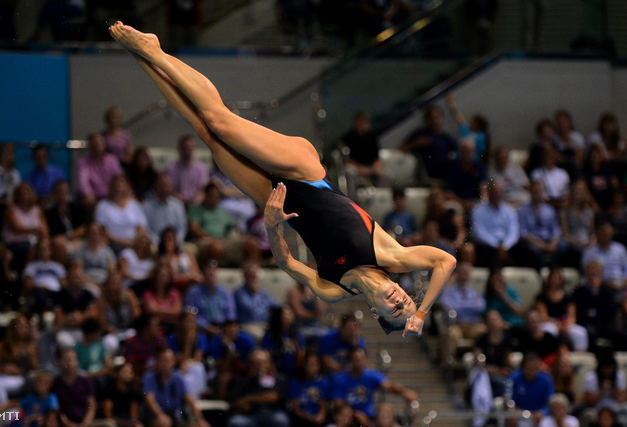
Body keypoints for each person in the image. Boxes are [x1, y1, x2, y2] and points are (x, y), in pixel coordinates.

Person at [109, 22, 457, 337]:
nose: (398, 300)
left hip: (277, 197)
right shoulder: (392, 256)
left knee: (206, 134)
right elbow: (446, 260)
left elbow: (286, 262)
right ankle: (154, 49)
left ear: (374, 311)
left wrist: (273, 225)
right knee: (220, 121)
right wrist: (423, 312)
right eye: (406, 301)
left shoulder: (334, 290)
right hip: (303, 171)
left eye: (395, 310)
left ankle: (142, 57)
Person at [332, 347, 418, 426]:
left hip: (369, 416)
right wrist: (355, 413)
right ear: (351, 361)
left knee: (385, 411)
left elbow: (389, 386)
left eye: (362, 359)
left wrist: (405, 392)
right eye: (356, 359)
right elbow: (338, 403)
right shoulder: (341, 379)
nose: (359, 362)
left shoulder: (371, 375)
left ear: (366, 360)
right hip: (349, 417)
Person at [187, 182, 259, 265]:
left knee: (252, 243)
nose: (215, 198)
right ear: (206, 195)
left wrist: (238, 236)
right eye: (213, 195)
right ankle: (214, 275)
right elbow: (193, 228)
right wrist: (208, 237)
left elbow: (234, 227)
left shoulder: (222, 211)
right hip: (204, 240)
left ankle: (253, 273)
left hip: (224, 240)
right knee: (216, 247)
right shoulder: (196, 210)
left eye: (217, 196)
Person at [141, 348, 211, 427]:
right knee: (163, 423)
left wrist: (200, 420)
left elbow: (190, 400)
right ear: (157, 362)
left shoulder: (178, 377)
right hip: (154, 418)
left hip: (176, 418)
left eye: (168, 361)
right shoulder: (149, 377)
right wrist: (160, 415)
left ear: (173, 362)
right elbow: (149, 399)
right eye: (162, 361)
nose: (165, 364)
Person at [438, 261, 487, 367]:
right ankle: (449, 366)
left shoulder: (474, 291)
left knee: (484, 331)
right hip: (456, 325)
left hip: (473, 325)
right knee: (449, 334)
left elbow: (481, 307)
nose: (465, 275)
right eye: (462, 272)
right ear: (457, 274)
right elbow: (448, 307)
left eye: (467, 273)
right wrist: (470, 306)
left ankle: (481, 364)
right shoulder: (449, 291)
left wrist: (460, 305)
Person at [227, 349, 290, 427]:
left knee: (280, 420)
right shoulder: (243, 381)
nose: (258, 366)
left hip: (273, 413)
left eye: (261, 363)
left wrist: (248, 399)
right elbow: (233, 402)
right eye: (254, 364)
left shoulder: (279, 378)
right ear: (249, 365)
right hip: (251, 416)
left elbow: (272, 397)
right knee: (236, 422)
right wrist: (241, 405)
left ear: (269, 363)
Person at [514, 181, 565, 270]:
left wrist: (553, 244)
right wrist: (542, 245)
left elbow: (555, 231)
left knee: (563, 245)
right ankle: (540, 272)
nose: (537, 194)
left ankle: (556, 272)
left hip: (548, 240)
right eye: (535, 191)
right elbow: (523, 233)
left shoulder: (549, 210)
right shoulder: (522, 211)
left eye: (539, 191)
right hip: (533, 241)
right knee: (533, 249)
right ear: (530, 192)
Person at [535, 269, 589, 351]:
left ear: (561, 280)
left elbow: (572, 316)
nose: (555, 281)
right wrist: (556, 325)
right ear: (548, 279)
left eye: (557, 278)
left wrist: (566, 326)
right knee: (549, 331)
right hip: (549, 322)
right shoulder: (542, 297)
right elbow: (543, 316)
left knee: (581, 332)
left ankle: (579, 354)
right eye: (553, 278)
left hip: (565, 323)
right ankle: (551, 353)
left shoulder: (568, 298)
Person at [400, 105, 458, 180]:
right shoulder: (422, 134)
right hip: (433, 170)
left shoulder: (445, 137)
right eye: (432, 118)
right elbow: (402, 147)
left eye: (437, 117)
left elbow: (458, 148)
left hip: (447, 167)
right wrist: (416, 143)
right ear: (427, 120)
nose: (435, 121)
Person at [0, 315, 37, 404]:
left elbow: (34, 370)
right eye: (20, 326)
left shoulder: (30, 346)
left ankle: (6, 414)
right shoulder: (2, 344)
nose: (23, 329)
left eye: (25, 326)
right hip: (1, 376)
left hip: (20, 379)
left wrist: (18, 371)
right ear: (13, 328)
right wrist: (5, 370)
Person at [94, 174, 148, 253]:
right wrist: (121, 242)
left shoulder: (135, 205)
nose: (119, 189)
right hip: (111, 245)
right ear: (111, 188)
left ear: (128, 188)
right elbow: (101, 230)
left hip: (134, 244)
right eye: (116, 186)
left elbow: (141, 227)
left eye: (122, 186)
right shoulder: (103, 206)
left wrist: (135, 241)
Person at [472, 181, 519, 268]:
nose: (496, 194)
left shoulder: (510, 210)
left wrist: (505, 246)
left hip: (507, 245)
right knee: (486, 251)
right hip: (488, 246)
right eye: (493, 191)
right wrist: (497, 246)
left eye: (498, 191)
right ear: (488, 193)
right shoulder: (478, 210)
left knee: (523, 250)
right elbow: (480, 233)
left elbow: (513, 232)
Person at [53, 259, 98, 350]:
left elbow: (93, 313)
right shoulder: (60, 295)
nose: (76, 279)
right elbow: (58, 317)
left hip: (82, 329)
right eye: (74, 277)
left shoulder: (88, 294)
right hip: (66, 329)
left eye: (79, 277)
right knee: (63, 340)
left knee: (88, 339)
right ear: (68, 278)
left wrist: (80, 317)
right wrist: (70, 317)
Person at [4, 182, 48, 276]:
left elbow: (44, 228)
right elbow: (16, 228)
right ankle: (26, 275)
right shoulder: (11, 210)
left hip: (35, 242)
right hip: (16, 244)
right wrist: (35, 229)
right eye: (22, 193)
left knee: (48, 247)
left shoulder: (37, 209)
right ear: (17, 196)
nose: (25, 196)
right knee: (32, 249)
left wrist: (44, 240)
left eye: (27, 193)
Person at [184, 260, 237, 335]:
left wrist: (228, 326)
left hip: (224, 327)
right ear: (203, 274)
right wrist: (206, 327)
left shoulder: (225, 292)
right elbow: (191, 315)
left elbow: (231, 312)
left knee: (247, 340)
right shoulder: (193, 292)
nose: (211, 274)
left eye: (213, 272)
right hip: (203, 329)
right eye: (208, 272)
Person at [573, 261, 617, 349]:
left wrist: (596, 292)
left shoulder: (606, 292)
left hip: (604, 324)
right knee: (590, 331)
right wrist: (593, 291)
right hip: (586, 324)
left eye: (597, 273)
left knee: (619, 334)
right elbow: (581, 312)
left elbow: (611, 312)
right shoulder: (579, 291)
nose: (594, 276)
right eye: (592, 273)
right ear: (586, 274)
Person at [208, 319, 256, 400]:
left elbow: (251, 361)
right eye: (229, 330)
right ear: (223, 331)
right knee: (224, 379)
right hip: (224, 371)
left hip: (244, 369)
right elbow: (222, 368)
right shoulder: (216, 342)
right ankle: (222, 407)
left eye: (235, 329)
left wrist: (242, 368)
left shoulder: (247, 340)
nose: (232, 332)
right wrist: (229, 350)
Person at [340, 111, 386, 195]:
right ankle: (352, 198)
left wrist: (376, 167)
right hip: (354, 166)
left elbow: (377, 157)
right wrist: (360, 168)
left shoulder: (372, 137)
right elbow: (346, 159)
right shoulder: (348, 138)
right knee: (349, 172)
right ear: (355, 123)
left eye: (364, 122)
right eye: (360, 122)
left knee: (387, 176)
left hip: (369, 167)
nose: (362, 124)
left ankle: (379, 200)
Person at [166, 310, 209, 399]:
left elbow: (198, 358)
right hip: (177, 368)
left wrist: (186, 363)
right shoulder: (172, 337)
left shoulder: (200, 336)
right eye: (187, 321)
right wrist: (188, 344)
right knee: (183, 374)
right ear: (181, 322)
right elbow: (180, 362)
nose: (189, 324)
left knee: (198, 368)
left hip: (192, 366)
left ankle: (197, 399)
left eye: (192, 321)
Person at [45, 180, 89, 264]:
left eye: (65, 192)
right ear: (54, 194)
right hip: (60, 243)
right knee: (59, 244)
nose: (62, 195)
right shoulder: (49, 213)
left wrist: (68, 236)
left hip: (77, 239)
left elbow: (84, 229)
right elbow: (52, 236)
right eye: (59, 192)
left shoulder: (77, 208)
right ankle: (63, 271)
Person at [99, 271, 142, 355]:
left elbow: (137, 314)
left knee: (132, 337)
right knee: (109, 343)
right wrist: (109, 329)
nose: (115, 286)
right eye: (112, 283)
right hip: (111, 332)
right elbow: (101, 320)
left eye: (117, 283)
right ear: (107, 284)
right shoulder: (101, 299)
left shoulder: (128, 294)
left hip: (128, 329)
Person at [76, 133, 123, 209]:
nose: (97, 147)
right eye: (94, 144)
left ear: (104, 145)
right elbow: (82, 182)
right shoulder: (83, 162)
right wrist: (88, 194)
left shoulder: (112, 160)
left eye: (99, 143)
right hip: (93, 196)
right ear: (90, 146)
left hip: (111, 195)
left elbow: (119, 178)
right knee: (88, 202)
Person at [52, 348, 97, 427]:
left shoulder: (86, 381)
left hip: (86, 423)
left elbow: (91, 405)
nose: (69, 363)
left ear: (76, 362)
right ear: (60, 362)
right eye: (66, 359)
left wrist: (86, 423)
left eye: (71, 359)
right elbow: (57, 409)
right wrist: (68, 424)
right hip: (64, 424)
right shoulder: (55, 384)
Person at [234, 261, 278, 341]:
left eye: (254, 276)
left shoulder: (263, 291)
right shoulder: (239, 293)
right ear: (245, 276)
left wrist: (286, 307)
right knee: (264, 337)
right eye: (250, 276)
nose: (253, 279)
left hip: (265, 323)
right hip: (249, 324)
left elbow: (273, 304)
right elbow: (251, 310)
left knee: (279, 333)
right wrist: (255, 294)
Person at [509, 352, 555, 426]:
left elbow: (550, 402)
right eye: (529, 367)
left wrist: (543, 412)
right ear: (523, 367)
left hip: (540, 415)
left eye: (535, 367)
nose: (532, 370)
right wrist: (513, 411)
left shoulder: (546, 379)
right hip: (520, 414)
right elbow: (509, 399)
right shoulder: (514, 378)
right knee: (511, 419)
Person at [582, 220, 627, 289]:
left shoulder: (620, 248)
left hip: (619, 284)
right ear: (598, 233)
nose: (606, 236)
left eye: (609, 234)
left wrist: (624, 282)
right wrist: (603, 283)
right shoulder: (589, 252)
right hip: (600, 285)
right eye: (604, 234)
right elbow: (586, 273)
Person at [166, 135, 210, 206]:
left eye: (189, 148)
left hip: (196, 204)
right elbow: (169, 189)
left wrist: (195, 202)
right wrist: (181, 200)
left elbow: (203, 190)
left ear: (193, 149)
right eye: (184, 148)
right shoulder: (171, 168)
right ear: (180, 149)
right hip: (176, 203)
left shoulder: (201, 168)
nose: (187, 151)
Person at [143, 173, 187, 245]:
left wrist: (175, 242)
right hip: (154, 244)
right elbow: (146, 229)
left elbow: (182, 228)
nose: (164, 189)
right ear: (155, 187)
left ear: (171, 187)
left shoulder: (178, 205)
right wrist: (159, 243)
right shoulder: (146, 206)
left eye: (166, 185)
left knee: (190, 251)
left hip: (176, 243)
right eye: (161, 185)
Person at [559, 180, 596, 268]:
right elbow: (564, 233)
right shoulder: (565, 210)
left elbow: (592, 231)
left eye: (581, 191)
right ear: (571, 192)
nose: (578, 193)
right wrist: (577, 243)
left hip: (586, 240)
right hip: (571, 240)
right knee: (562, 245)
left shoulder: (589, 211)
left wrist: (592, 241)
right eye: (576, 190)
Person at [261, 305, 305, 376]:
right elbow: (267, 357)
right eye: (286, 314)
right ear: (279, 316)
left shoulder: (298, 336)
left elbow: (300, 357)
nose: (290, 316)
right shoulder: (269, 336)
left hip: (293, 373)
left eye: (291, 313)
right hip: (275, 372)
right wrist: (275, 373)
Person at [446, 93, 490, 163]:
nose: (470, 122)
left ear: (478, 125)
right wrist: (451, 103)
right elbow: (459, 117)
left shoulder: (481, 136)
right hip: (459, 160)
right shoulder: (465, 130)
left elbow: (481, 152)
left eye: (473, 122)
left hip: (472, 162)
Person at [289, 353, 330, 427]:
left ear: (319, 366)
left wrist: (321, 416)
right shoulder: (295, 382)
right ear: (304, 365)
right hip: (302, 418)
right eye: (310, 364)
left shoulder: (324, 381)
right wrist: (311, 418)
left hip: (318, 418)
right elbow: (296, 408)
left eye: (315, 364)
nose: (312, 367)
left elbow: (324, 404)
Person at [446, 140, 488, 210]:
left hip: (475, 201)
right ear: (460, 151)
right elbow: (449, 192)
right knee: (451, 207)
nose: (467, 153)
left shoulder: (480, 167)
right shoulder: (453, 167)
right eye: (464, 151)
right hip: (458, 201)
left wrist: (483, 202)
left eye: (469, 151)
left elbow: (483, 188)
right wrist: (463, 203)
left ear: (474, 152)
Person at [123, 313, 169, 377]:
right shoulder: (132, 343)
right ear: (146, 328)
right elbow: (131, 366)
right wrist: (144, 369)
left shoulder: (160, 341)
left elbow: (167, 358)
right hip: (139, 376)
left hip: (158, 375)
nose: (158, 328)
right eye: (155, 326)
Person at [72, 222, 117, 286]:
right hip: (86, 284)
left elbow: (112, 272)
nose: (94, 236)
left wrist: (107, 285)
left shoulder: (108, 252)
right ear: (87, 234)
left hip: (105, 284)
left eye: (97, 233)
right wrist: (94, 285)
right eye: (92, 233)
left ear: (101, 235)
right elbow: (77, 272)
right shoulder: (80, 251)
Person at [99, 362, 143, 427]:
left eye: (130, 372)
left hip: (126, 421)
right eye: (125, 372)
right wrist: (122, 423)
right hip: (111, 421)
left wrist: (132, 423)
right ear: (117, 373)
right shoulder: (109, 390)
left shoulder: (134, 392)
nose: (127, 374)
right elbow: (108, 415)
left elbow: (133, 416)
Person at [142, 261, 182, 326]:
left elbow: (177, 311)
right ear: (155, 276)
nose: (162, 278)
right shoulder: (148, 294)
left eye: (165, 276)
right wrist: (170, 314)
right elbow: (151, 311)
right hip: (155, 327)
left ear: (170, 278)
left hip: (172, 326)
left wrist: (159, 312)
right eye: (160, 275)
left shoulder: (175, 293)